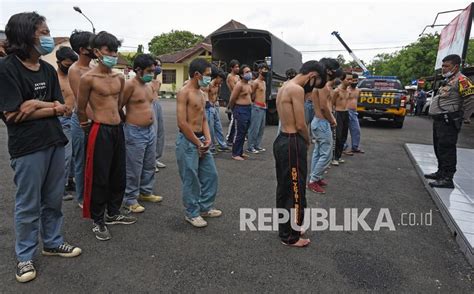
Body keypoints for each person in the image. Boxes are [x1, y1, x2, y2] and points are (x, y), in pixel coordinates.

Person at [0, 12, 82, 283]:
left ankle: (52, 242)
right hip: (28, 147)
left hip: (55, 141)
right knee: (28, 203)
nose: (47, 37)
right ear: (26, 34)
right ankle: (24, 256)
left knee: (53, 198)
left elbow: (63, 108)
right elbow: (12, 113)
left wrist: (34, 104)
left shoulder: (47, 69)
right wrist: (49, 107)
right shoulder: (7, 68)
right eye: (43, 32)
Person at [77, 31, 136, 241]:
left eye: (115, 50)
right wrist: (86, 126)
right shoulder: (88, 78)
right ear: (97, 52)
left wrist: (122, 122)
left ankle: (113, 212)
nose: (112, 54)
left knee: (118, 173)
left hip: (117, 129)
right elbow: (80, 108)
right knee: (99, 176)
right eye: (108, 50)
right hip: (99, 129)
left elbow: (118, 105)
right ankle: (98, 220)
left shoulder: (119, 77)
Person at [274, 60, 325, 247]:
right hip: (292, 141)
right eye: (315, 82)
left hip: (281, 140)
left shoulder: (285, 86)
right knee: (295, 190)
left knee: (284, 188)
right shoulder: (297, 89)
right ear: (312, 76)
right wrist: (308, 140)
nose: (312, 89)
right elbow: (301, 124)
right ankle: (291, 236)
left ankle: (286, 229)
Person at [175, 58, 221, 228]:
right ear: (197, 74)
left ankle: (205, 207)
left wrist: (207, 139)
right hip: (188, 141)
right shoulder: (184, 92)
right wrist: (197, 143)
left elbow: (203, 119)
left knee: (211, 175)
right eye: (207, 75)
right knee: (191, 178)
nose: (209, 78)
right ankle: (192, 213)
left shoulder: (202, 93)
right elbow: (182, 123)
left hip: (201, 140)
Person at [122, 54, 163, 213]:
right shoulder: (129, 85)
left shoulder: (149, 85)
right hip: (134, 131)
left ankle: (146, 191)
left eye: (153, 71)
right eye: (149, 71)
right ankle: (130, 199)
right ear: (138, 70)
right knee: (133, 167)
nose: (151, 74)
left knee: (149, 163)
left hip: (149, 130)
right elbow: (120, 105)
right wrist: (129, 123)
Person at [426, 54, 474, 188]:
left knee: (447, 148)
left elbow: (471, 99)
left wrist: (463, 117)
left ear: (456, 67)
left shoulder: (462, 80)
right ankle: (441, 172)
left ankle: (447, 178)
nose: (443, 68)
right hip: (440, 120)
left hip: (449, 120)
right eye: (443, 65)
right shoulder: (449, 80)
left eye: (447, 66)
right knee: (439, 147)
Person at [68, 30, 96, 208]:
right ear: (82, 49)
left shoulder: (94, 68)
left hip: (98, 121)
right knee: (81, 161)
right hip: (82, 121)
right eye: (92, 45)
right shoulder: (75, 70)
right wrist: (88, 122)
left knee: (95, 160)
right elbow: (82, 102)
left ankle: (94, 193)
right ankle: (82, 198)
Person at [307, 61, 339, 194]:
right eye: (334, 70)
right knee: (326, 154)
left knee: (318, 152)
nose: (336, 73)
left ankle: (315, 177)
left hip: (317, 121)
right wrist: (332, 120)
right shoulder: (324, 87)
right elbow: (324, 107)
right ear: (329, 71)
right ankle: (314, 180)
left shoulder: (317, 86)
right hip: (322, 122)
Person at [55, 46, 78, 201]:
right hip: (62, 120)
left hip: (76, 118)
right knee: (65, 155)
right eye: (67, 64)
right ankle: (59, 188)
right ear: (59, 62)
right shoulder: (54, 77)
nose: (69, 67)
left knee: (75, 155)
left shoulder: (73, 76)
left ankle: (70, 181)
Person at [228, 64, 253, 161]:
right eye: (247, 72)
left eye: (249, 71)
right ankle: (235, 153)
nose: (249, 74)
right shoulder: (239, 85)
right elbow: (232, 99)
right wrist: (234, 110)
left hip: (248, 109)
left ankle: (240, 151)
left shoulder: (249, 84)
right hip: (240, 110)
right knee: (239, 132)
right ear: (242, 75)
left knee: (244, 132)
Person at [247, 63, 268, 154]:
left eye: (267, 69)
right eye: (264, 69)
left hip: (263, 107)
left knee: (261, 128)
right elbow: (251, 94)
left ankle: (257, 145)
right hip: (256, 107)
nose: (265, 71)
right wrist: (253, 104)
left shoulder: (264, 82)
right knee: (254, 128)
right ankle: (250, 146)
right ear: (259, 70)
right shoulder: (255, 82)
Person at [208, 67, 230, 152]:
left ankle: (222, 145)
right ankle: (211, 147)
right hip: (209, 107)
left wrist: (216, 101)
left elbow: (218, 94)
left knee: (218, 127)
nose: (222, 82)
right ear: (217, 77)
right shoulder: (209, 85)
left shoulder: (218, 85)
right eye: (221, 79)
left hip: (215, 106)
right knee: (210, 128)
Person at [150, 57, 166, 171]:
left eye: (160, 65)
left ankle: (155, 158)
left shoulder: (158, 82)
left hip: (157, 104)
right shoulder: (147, 80)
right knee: (153, 133)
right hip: (150, 105)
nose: (158, 67)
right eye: (156, 65)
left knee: (160, 132)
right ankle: (150, 161)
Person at [333, 72, 352, 163]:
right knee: (338, 136)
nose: (350, 81)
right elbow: (332, 103)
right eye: (348, 79)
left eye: (351, 79)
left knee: (344, 135)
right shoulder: (337, 91)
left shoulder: (348, 91)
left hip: (346, 113)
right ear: (342, 79)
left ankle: (339, 156)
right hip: (338, 113)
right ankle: (334, 157)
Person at [345, 73, 364, 154]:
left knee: (356, 130)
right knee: (344, 131)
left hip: (354, 112)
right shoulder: (346, 90)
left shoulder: (358, 90)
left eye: (356, 80)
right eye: (353, 80)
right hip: (346, 111)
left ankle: (355, 147)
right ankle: (343, 148)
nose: (354, 82)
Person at [225, 59, 240, 145]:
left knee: (237, 119)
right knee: (233, 119)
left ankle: (234, 136)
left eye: (238, 66)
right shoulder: (230, 77)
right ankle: (229, 138)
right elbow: (235, 89)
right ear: (232, 68)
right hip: (234, 99)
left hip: (239, 100)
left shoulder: (237, 77)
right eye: (236, 67)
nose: (238, 68)